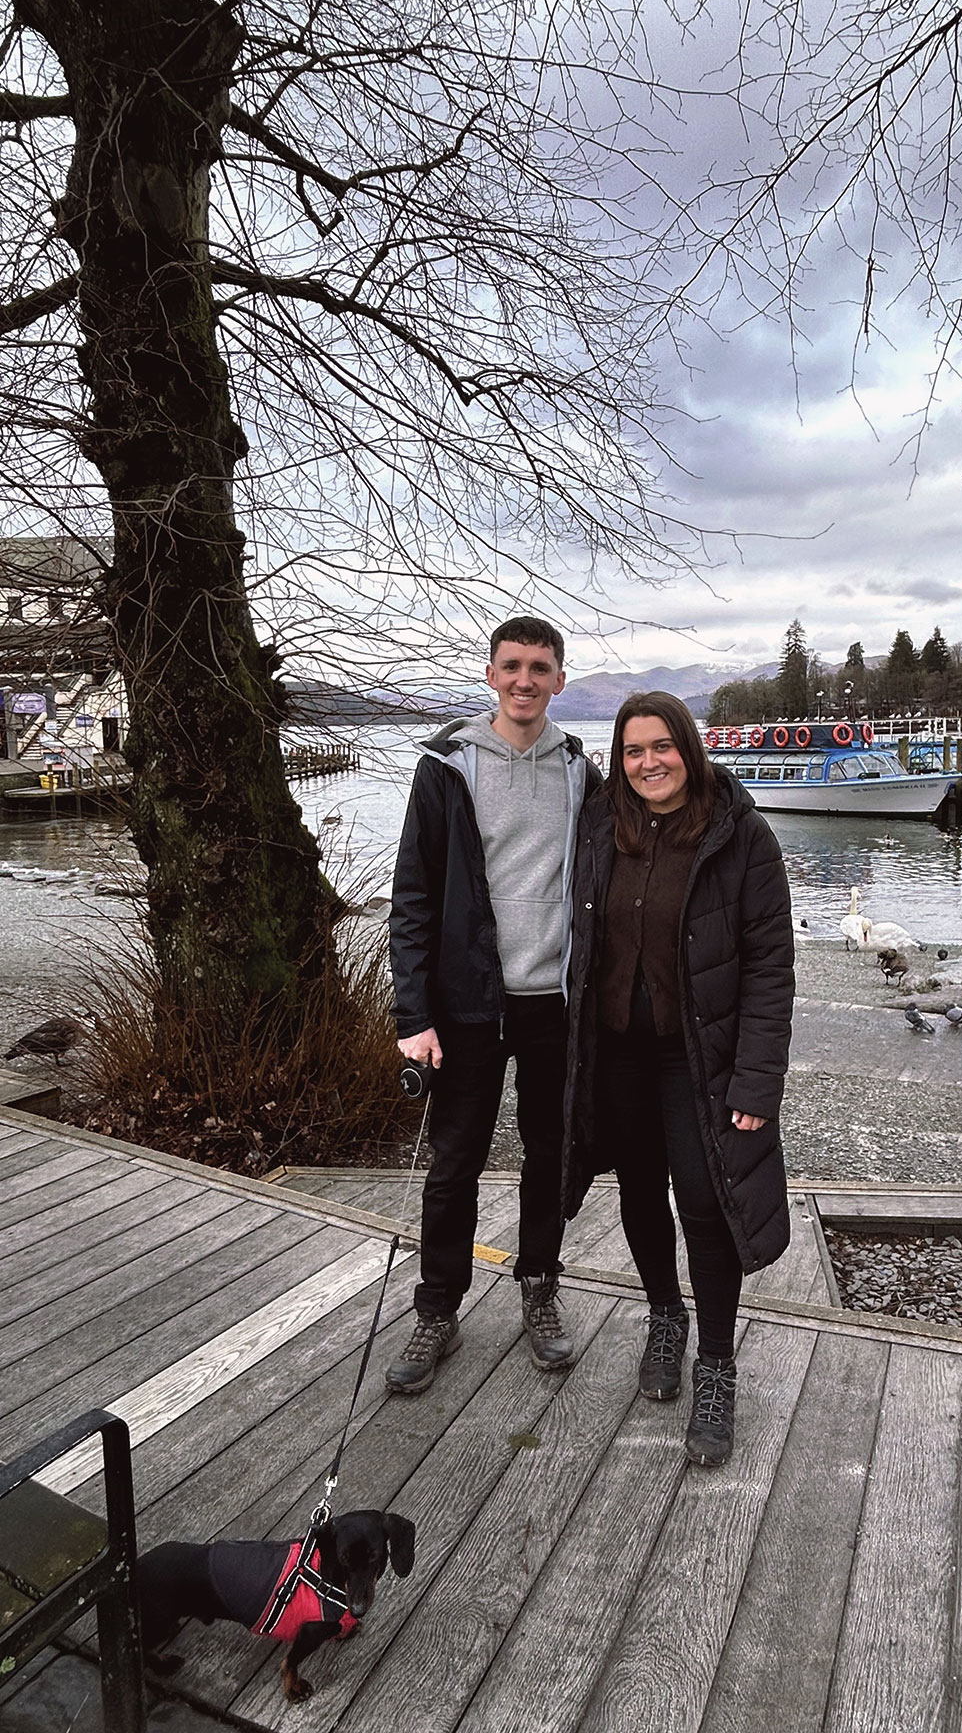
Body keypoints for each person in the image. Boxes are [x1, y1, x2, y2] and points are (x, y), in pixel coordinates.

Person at [563, 691, 795, 1466]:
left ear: (688, 750)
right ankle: (666, 1313)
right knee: (637, 1192)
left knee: (704, 1203)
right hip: (618, 1050)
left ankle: (718, 1366)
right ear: (618, 761)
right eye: (632, 751)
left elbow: (770, 968)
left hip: (700, 1057)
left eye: (661, 747)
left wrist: (757, 1085)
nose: (648, 762)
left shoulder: (741, 837)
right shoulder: (602, 827)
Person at [386, 615, 600, 1393]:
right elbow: (411, 899)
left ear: (559, 681)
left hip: (554, 1004)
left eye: (541, 667)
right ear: (490, 674)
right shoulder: (447, 768)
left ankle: (539, 1287)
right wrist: (413, 1017)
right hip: (468, 1004)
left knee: (550, 1157)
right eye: (512, 665)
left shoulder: (580, 772)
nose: (525, 680)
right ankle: (437, 1310)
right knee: (455, 1165)